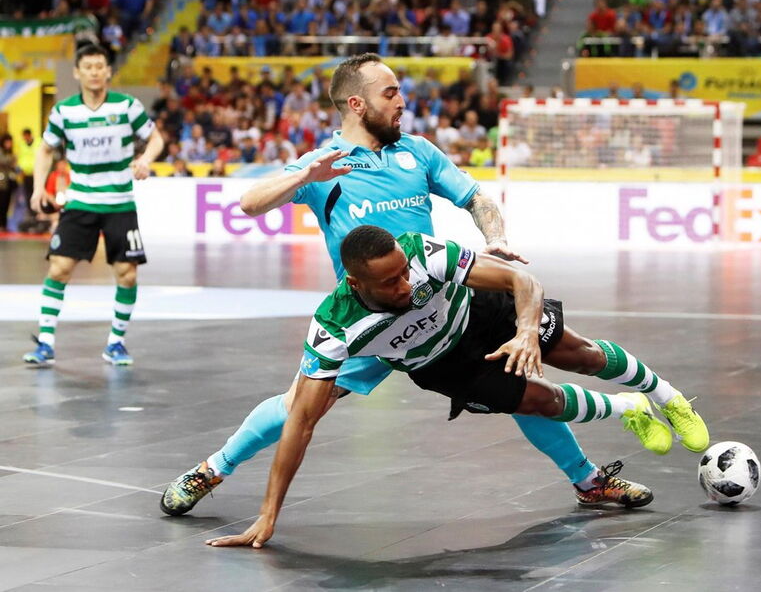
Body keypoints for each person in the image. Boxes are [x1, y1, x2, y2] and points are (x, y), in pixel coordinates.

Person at [160, 53, 708, 517]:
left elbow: (478, 200)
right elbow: (249, 203)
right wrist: (305, 175)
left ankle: (590, 482)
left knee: (522, 380)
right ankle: (212, 470)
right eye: (392, 92)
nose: (403, 101)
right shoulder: (324, 167)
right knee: (298, 407)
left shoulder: (417, 152)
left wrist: (492, 239)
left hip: (447, 300)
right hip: (373, 324)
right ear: (357, 104)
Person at [204, 225, 709, 549]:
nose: (406, 284)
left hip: (482, 316)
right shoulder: (334, 327)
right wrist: (267, 516)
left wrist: (527, 332)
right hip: (442, 365)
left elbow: (522, 283)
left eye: (405, 272)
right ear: (357, 285)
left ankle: (670, 398)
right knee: (541, 402)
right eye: (392, 283)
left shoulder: (424, 253)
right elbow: (301, 424)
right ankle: (630, 407)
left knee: (580, 355)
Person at [22, 44, 164, 367]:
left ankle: (116, 343)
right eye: (88, 67)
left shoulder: (127, 106)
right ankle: (45, 343)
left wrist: (145, 160)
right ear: (77, 72)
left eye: (100, 66)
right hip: (81, 201)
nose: (95, 72)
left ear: (108, 71)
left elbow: (155, 139)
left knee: (126, 274)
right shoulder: (64, 111)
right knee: (59, 268)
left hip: (119, 202)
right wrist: (37, 189)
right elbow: (45, 150)